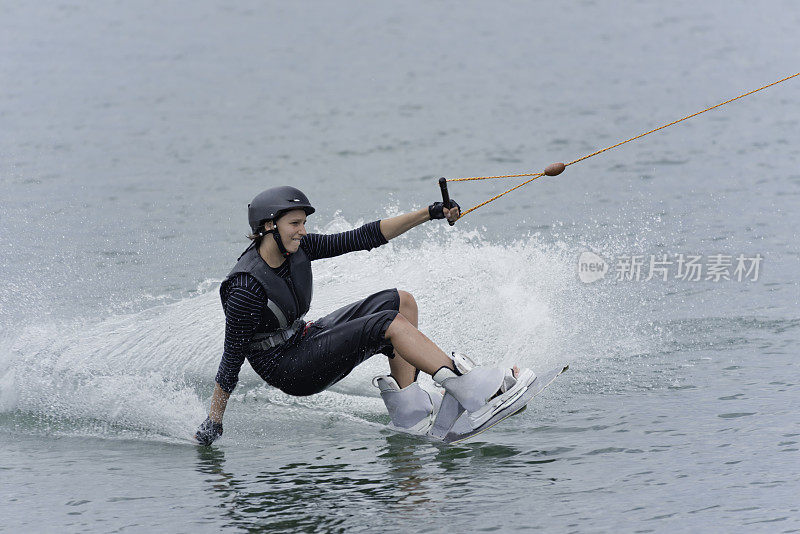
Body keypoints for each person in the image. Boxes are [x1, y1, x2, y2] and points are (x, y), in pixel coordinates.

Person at [194, 186, 533, 445]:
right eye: (294, 224)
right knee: (386, 325)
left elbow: (364, 237)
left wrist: (430, 213)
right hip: (287, 369)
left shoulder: (300, 247)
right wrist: (214, 421)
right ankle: (471, 391)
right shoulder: (245, 288)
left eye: (304, 223)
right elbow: (231, 359)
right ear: (269, 226)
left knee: (400, 302)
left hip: (302, 340)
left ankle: (410, 411)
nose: (302, 230)